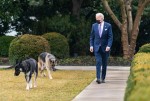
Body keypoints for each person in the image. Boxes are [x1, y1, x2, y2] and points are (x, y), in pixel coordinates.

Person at [90, 13, 113, 84]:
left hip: (105, 48)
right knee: (98, 62)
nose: (97, 20)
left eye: (98, 19)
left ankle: (103, 78)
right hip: (96, 47)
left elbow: (110, 37)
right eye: (96, 19)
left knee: (104, 63)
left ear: (102, 18)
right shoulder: (94, 26)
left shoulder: (108, 25)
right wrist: (91, 46)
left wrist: (109, 46)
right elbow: (92, 37)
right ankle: (98, 78)